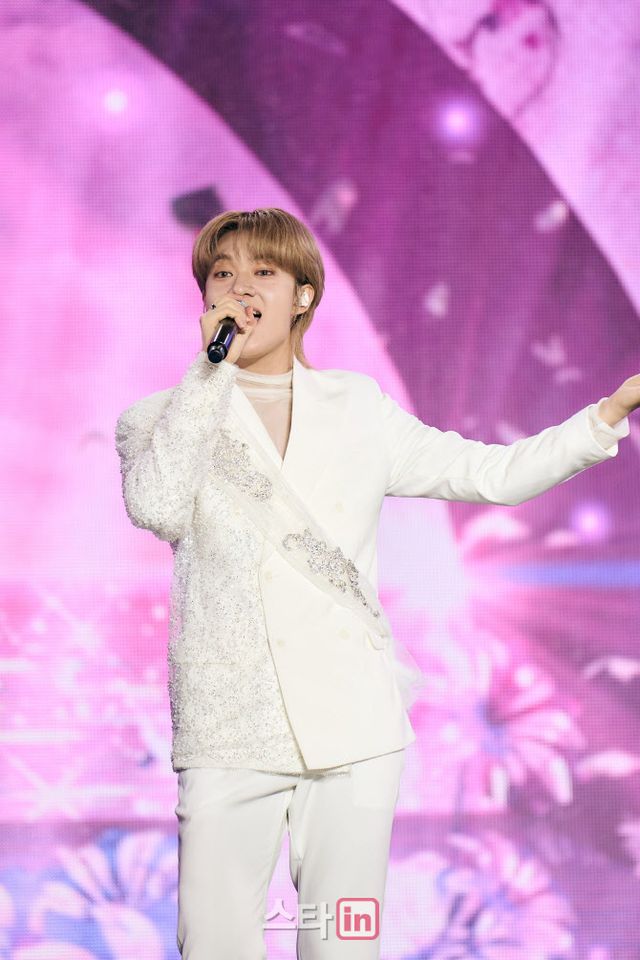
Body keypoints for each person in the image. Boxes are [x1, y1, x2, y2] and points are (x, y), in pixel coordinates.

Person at [115, 207, 637, 959]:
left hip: (354, 723)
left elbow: (487, 473)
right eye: (222, 274)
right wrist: (210, 373)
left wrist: (603, 418)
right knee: (216, 944)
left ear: (303, 295)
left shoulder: (356, 407)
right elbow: (157, 505)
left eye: (263, 271)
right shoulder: (161, 419)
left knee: (344, 943)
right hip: (229, 726)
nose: (240, 287)